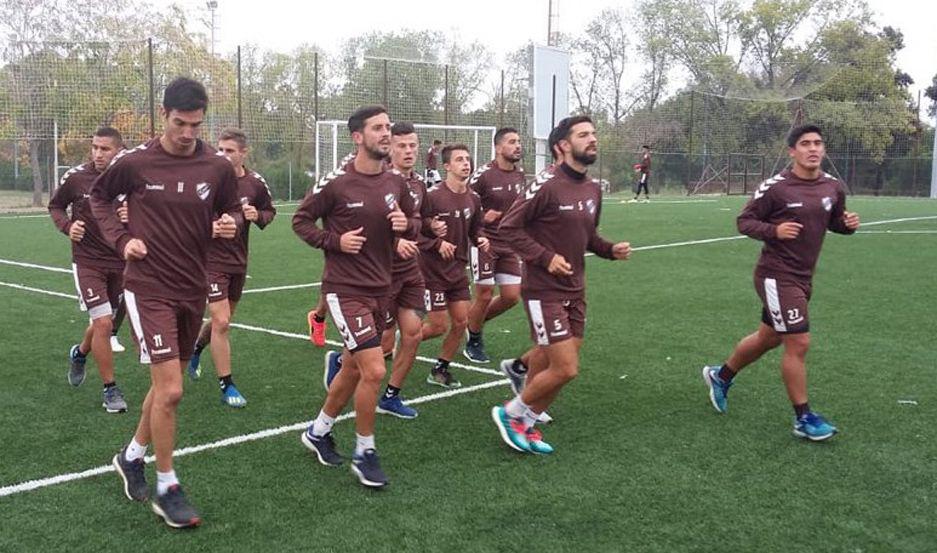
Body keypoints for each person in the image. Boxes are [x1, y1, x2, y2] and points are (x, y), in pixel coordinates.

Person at [95, 77, 242, 528]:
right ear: (163, 115)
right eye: (179, 123)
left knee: (165, 388)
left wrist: (230, 223)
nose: (186, 133)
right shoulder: (135, 162)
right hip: (147, 288)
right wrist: (122, 240)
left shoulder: (216, 166)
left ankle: (131, 456)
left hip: (191, 287)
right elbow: (99, 198)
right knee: (173, 390)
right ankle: (167, 486)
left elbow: (232, 209)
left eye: (195, 125)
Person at [702, 124, 860, 442]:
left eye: (818, 143)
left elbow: (834, 222)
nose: (813, 149)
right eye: (805, 144)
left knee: (769, 337)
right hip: (776, 275)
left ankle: (721, 376)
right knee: (798, 343)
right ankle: (804, 418)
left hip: (803, 278)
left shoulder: (832, 187)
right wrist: (774, 231)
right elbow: (744, 221)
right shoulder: (776, 188)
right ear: (792, 151)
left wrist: (847, 225)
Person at [492, 116, 631, 454]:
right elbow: (510, 228)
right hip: (543, 289)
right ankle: (510, 414)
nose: (593, 139)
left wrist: (610, 250)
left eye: (594, 133)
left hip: (575, 288)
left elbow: (589, 238)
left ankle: (527, 422)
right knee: (567, 368)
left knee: (555, 361)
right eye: (584, 135)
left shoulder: (594, 188)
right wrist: (545, 257)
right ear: (563, 146)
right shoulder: (546, 184)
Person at [293, 105, 415, 488]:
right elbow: (300, 221)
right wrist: (334, 240)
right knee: (375, 369)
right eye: (378, 128)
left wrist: (405, 226)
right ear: (357, 137)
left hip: (383, 287)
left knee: (350, 367)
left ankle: (318, 430)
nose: (386, 133)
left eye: (388, 127)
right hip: (345, 290)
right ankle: (365, 452)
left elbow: (413, 221)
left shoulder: (396, 183)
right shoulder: (336, 183)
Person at [322, 122, 431, 420]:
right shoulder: (368, 180)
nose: (408, 151)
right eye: (401, 145)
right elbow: (358, 225)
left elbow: (417, 221)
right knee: (379, 345)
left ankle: (391, 396)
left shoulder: (418, 185)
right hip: (377, 274)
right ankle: (342, 363)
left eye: (413, 145)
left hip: (410, 272)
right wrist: (394, 243)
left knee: (414, 334)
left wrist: (414, 230)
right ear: (388, 148)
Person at [187, 127, 277, 408]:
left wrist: (257, 214)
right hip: (210, 261)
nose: (223, 156)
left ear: (243, 153)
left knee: (220, 322)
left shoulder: (255, 183)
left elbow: (270, 212)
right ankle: (227, 384)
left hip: (239, 261)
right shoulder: (207, 180)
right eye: (220, 150)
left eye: (229, 151)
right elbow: (185, 217)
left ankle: (195, 349)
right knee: (222, 321)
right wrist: (209, 228)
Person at [49, 126, 128, 413]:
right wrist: (68, 227)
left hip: (120, 261)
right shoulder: (77, 177)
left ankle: (80, 353)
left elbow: (152, 213)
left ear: (119, 150)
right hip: (87, 262)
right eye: (94, 147)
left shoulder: (131, 179)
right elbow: (56, 206)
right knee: (104, 323)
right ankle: (110, 390)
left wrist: (133, 215)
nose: (97, 153)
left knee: (100, 324)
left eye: (104, 148)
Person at [419, 144, 490, 388]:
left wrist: (480, 238)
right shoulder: (432, 196)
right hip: (432, 271)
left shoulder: (474, 198)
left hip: (457, 271)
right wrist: (436, 243)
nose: (466, 163)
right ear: (447, 166)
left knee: (461, 322)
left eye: (468, 159)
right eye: (459, 159)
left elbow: (476, 227)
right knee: (439, 326)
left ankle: (440, 370)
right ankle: (404, 339)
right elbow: (415, 231)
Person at [463, 128, 526, 363]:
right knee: (485, 294)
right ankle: (474, 340)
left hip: (509, 244)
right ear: (498, 148)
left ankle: (472, 323)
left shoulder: (520, 176)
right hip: (483, 241)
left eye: (518, 141)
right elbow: (464, 201)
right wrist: (481, 217)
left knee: (511, 296)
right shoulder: (484, 175)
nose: (517, 146)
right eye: (512, 142)